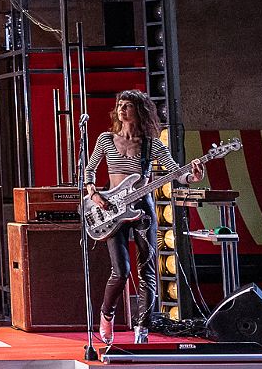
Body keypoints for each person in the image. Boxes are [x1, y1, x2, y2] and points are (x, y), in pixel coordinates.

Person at [82, 90, 200, 345]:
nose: (122, 109)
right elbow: (89, 170)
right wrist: (93, 193)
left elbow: (175, 172)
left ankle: (142, 329)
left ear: (140, 111)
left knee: (147, 271)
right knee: (121, 271)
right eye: (120, 105)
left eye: (128, 105)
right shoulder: (106, 139)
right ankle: (107, 314)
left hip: (142, 210)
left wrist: (192, 176)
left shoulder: (152, 144)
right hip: (111, 209)